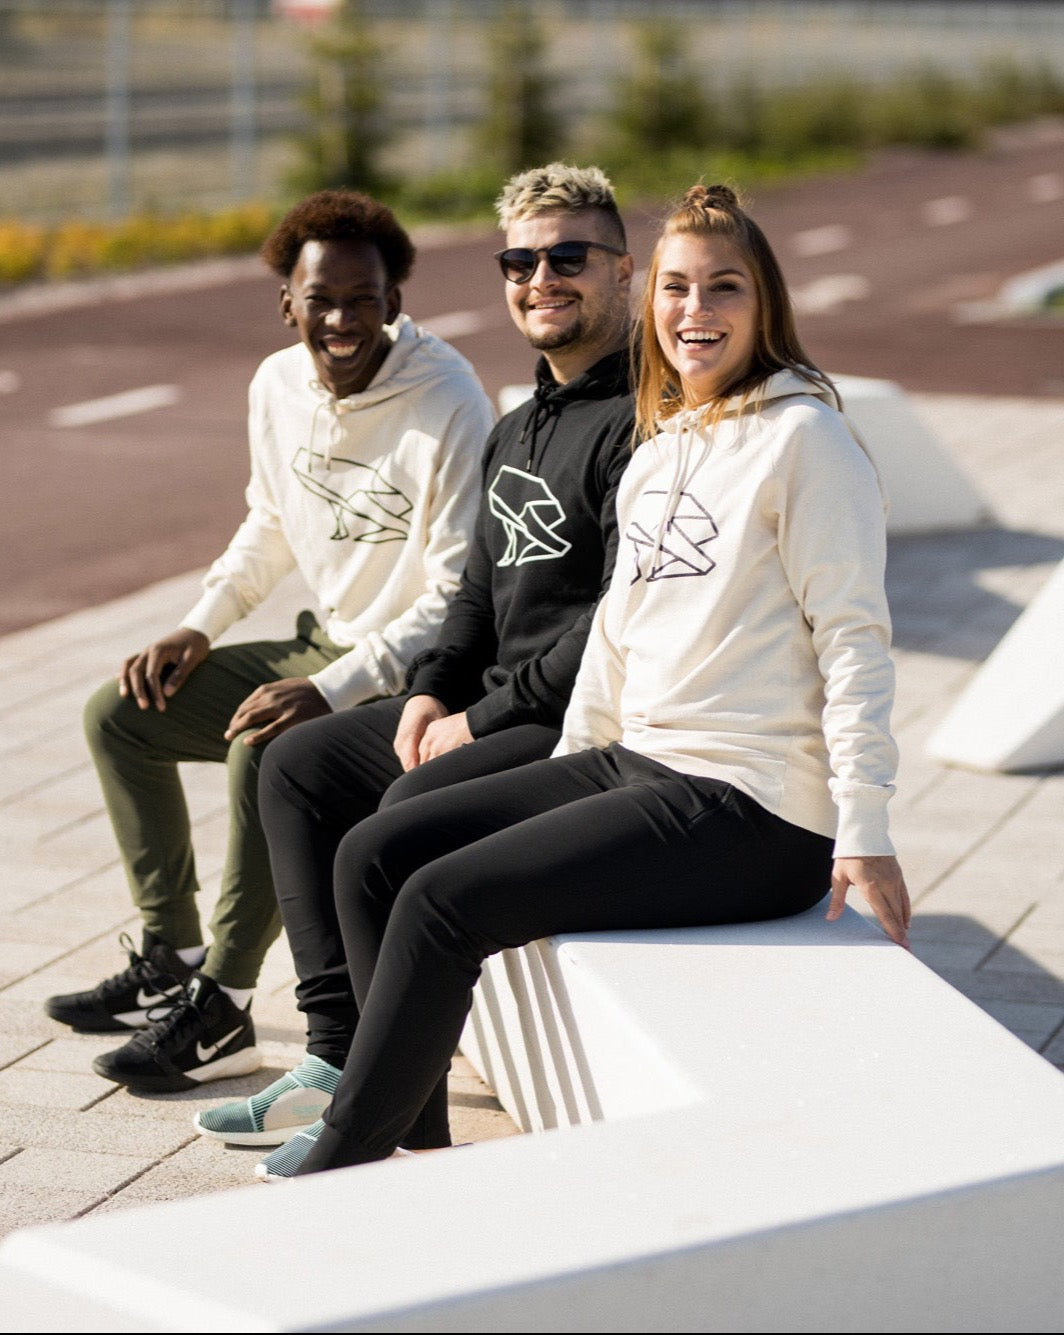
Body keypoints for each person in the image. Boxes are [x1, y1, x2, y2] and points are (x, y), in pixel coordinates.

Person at [249, 181, 912, 1182]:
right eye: (678, 288)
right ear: (653, 302)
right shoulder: (669, 444)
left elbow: (855, 638)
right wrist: (562, 777)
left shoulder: (804, 439)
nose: (694, 309)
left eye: (723, 287)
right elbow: (614, 637)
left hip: (754, 803)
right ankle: (414, 1138)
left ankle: (346, 1162)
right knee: (379, 852)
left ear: (763, 302)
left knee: (440, 902)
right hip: (637, 759)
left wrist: (862, 826)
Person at [192, 162, 637, 1152]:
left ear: (622, 271)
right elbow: (476, 590)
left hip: (576, 721)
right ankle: (332, 1056)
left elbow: (615, 622)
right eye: (520, 261)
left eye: (568, 257)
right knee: (293, 765)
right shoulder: (520, 423)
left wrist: (477, 718)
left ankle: (404, 1126)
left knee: (394, 822)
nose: (541, 278)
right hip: (495, 701)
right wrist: (432, 692)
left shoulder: (640, 423)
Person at [44, 189, 496, 1092]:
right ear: (287, 303)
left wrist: (330, 689)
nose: (341, 320)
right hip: (327, 645)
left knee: (270, 744)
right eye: (321, 299)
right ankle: (170, 954)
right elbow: (270, 522)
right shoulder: (275, 384)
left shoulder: (450, 400)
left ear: (394, 302)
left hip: (412, 675)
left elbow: (457, 597)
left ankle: (224, 1001)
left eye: (363, 300)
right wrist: (199, 622)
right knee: (120, 714)